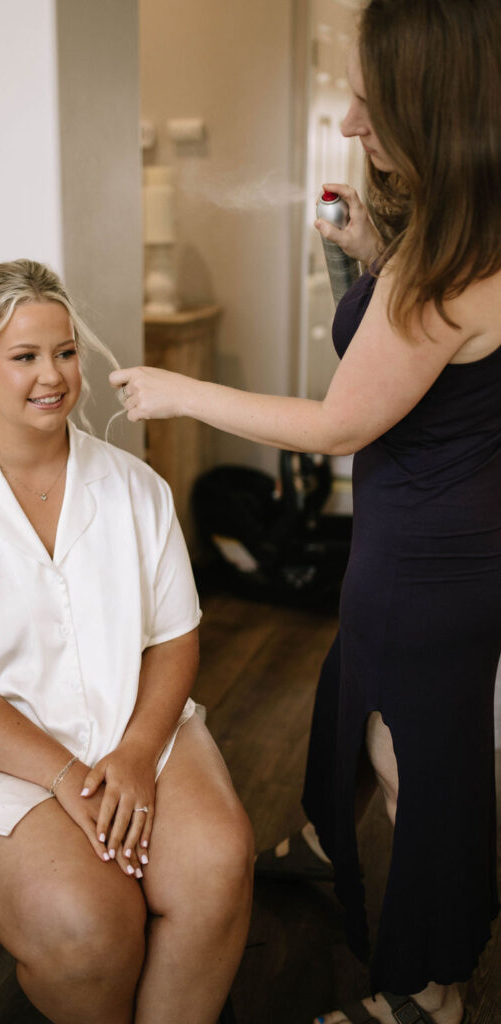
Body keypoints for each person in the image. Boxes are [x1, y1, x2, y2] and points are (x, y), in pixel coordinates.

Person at [110, 2, 501, 1022]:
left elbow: (337, 422)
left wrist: (177, 392)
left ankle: (429, 985)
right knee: (347, 693)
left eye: (370, 102)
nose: (353, 125)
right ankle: (330, 842)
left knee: (413, 758)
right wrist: (357, 264)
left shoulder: (449, 261)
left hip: (427, 557)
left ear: (430, 99)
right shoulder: (460, 230)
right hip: (430, 537)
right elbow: (403, 369)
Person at [0, 259, 254, 1024]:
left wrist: (136, 754)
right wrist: (62, 776)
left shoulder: (133, 488)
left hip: (130, 721)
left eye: (65, 351)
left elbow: (175, 639)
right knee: (92, 928)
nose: (52, 375)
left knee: (217, 868)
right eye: (24, 356)